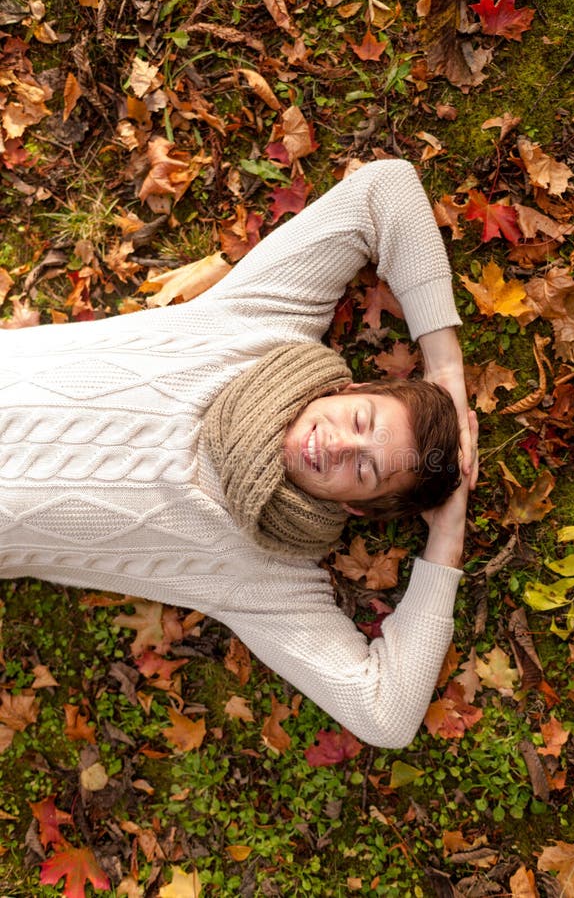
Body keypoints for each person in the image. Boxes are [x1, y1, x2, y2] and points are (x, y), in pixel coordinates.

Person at [0, 159, 477, 748]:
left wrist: (448, 535)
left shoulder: (267, 573)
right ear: (351, 389)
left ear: (359, 509)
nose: (339, 445)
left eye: (365, 468)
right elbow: (386, 189)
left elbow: (386, 715)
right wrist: (448, 375)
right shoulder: (264, 324)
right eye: (361, 421)